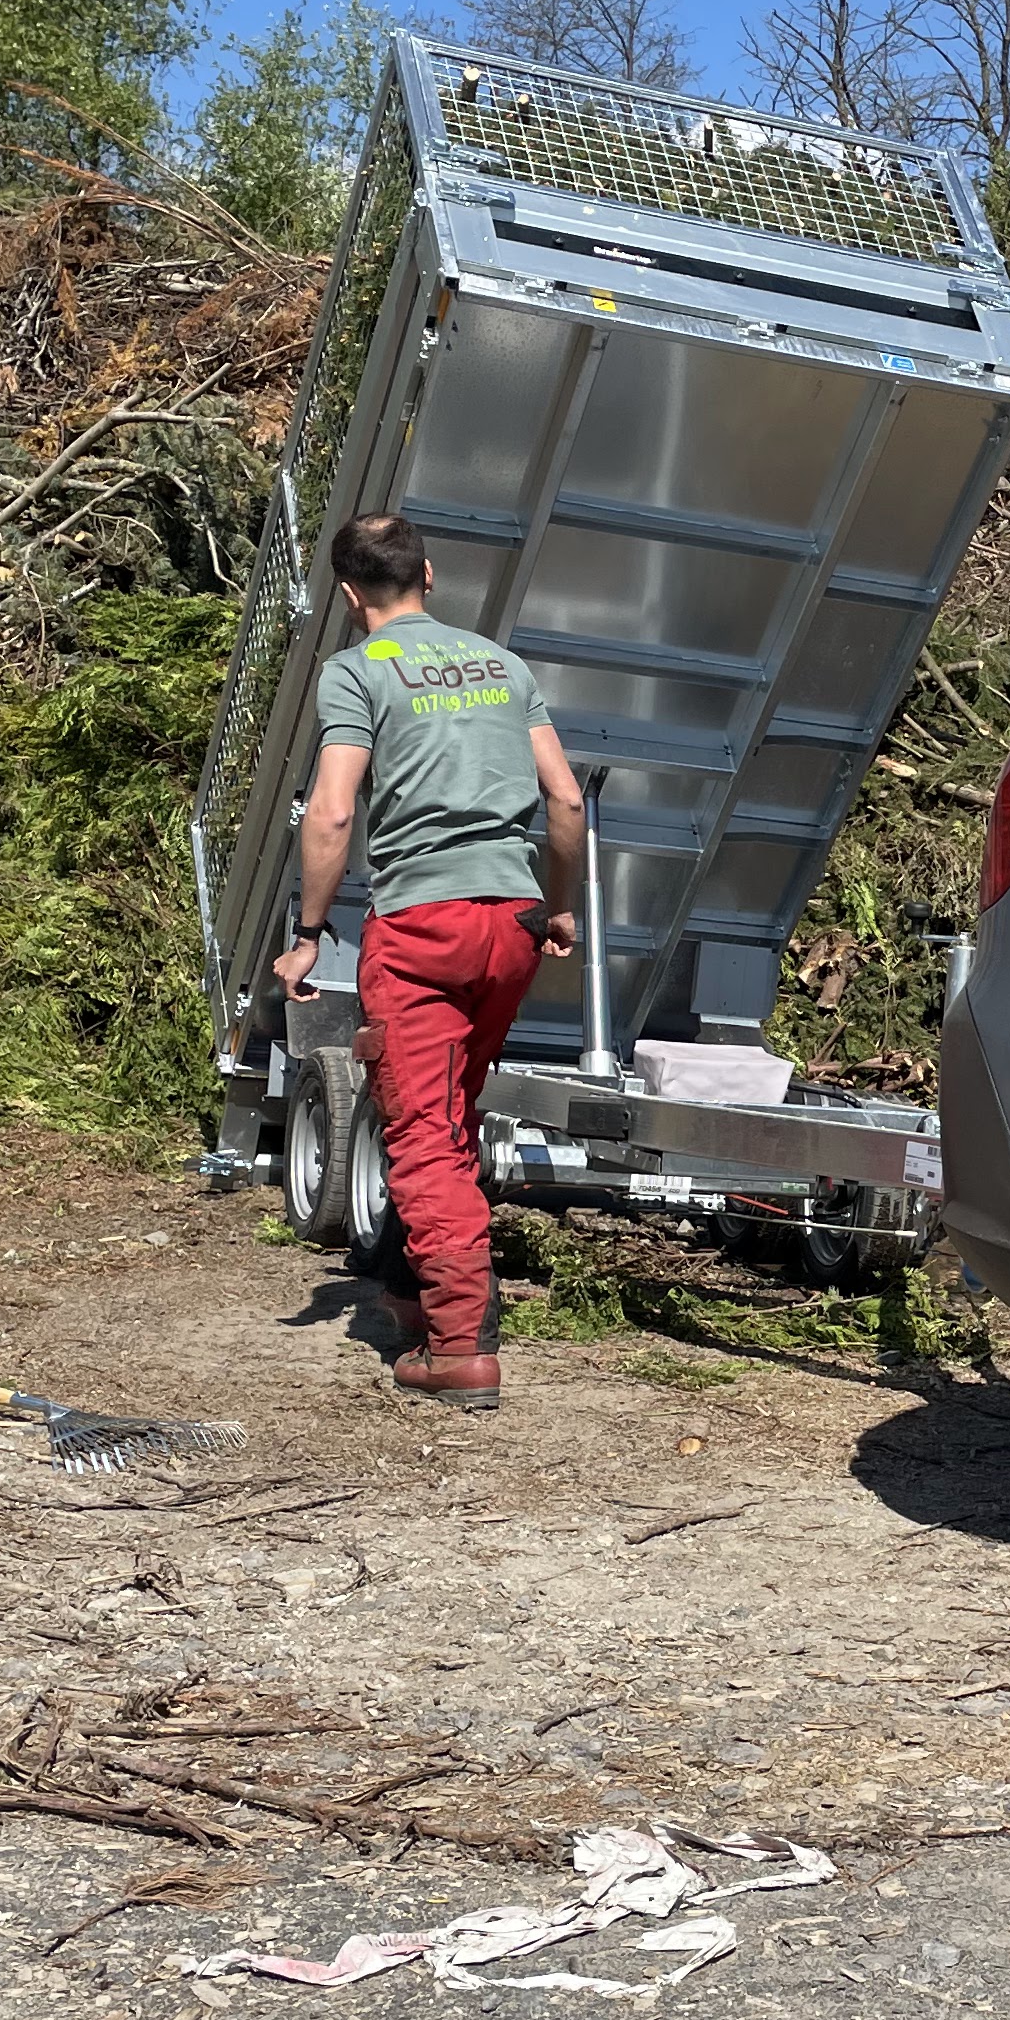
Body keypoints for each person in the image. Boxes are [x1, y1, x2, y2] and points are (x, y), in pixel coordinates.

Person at [277, 512, 581, 1408]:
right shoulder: (502, 665)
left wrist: (308, 933)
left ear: (347, 593)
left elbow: (332, 814)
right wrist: (557, 906)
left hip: (422, 929)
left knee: (421, 1136)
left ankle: (458, 1345)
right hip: (511, 925)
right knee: (446, 1109)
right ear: (430, 576)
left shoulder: (356, 671)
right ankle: (414, 1291)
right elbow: (564, 801)